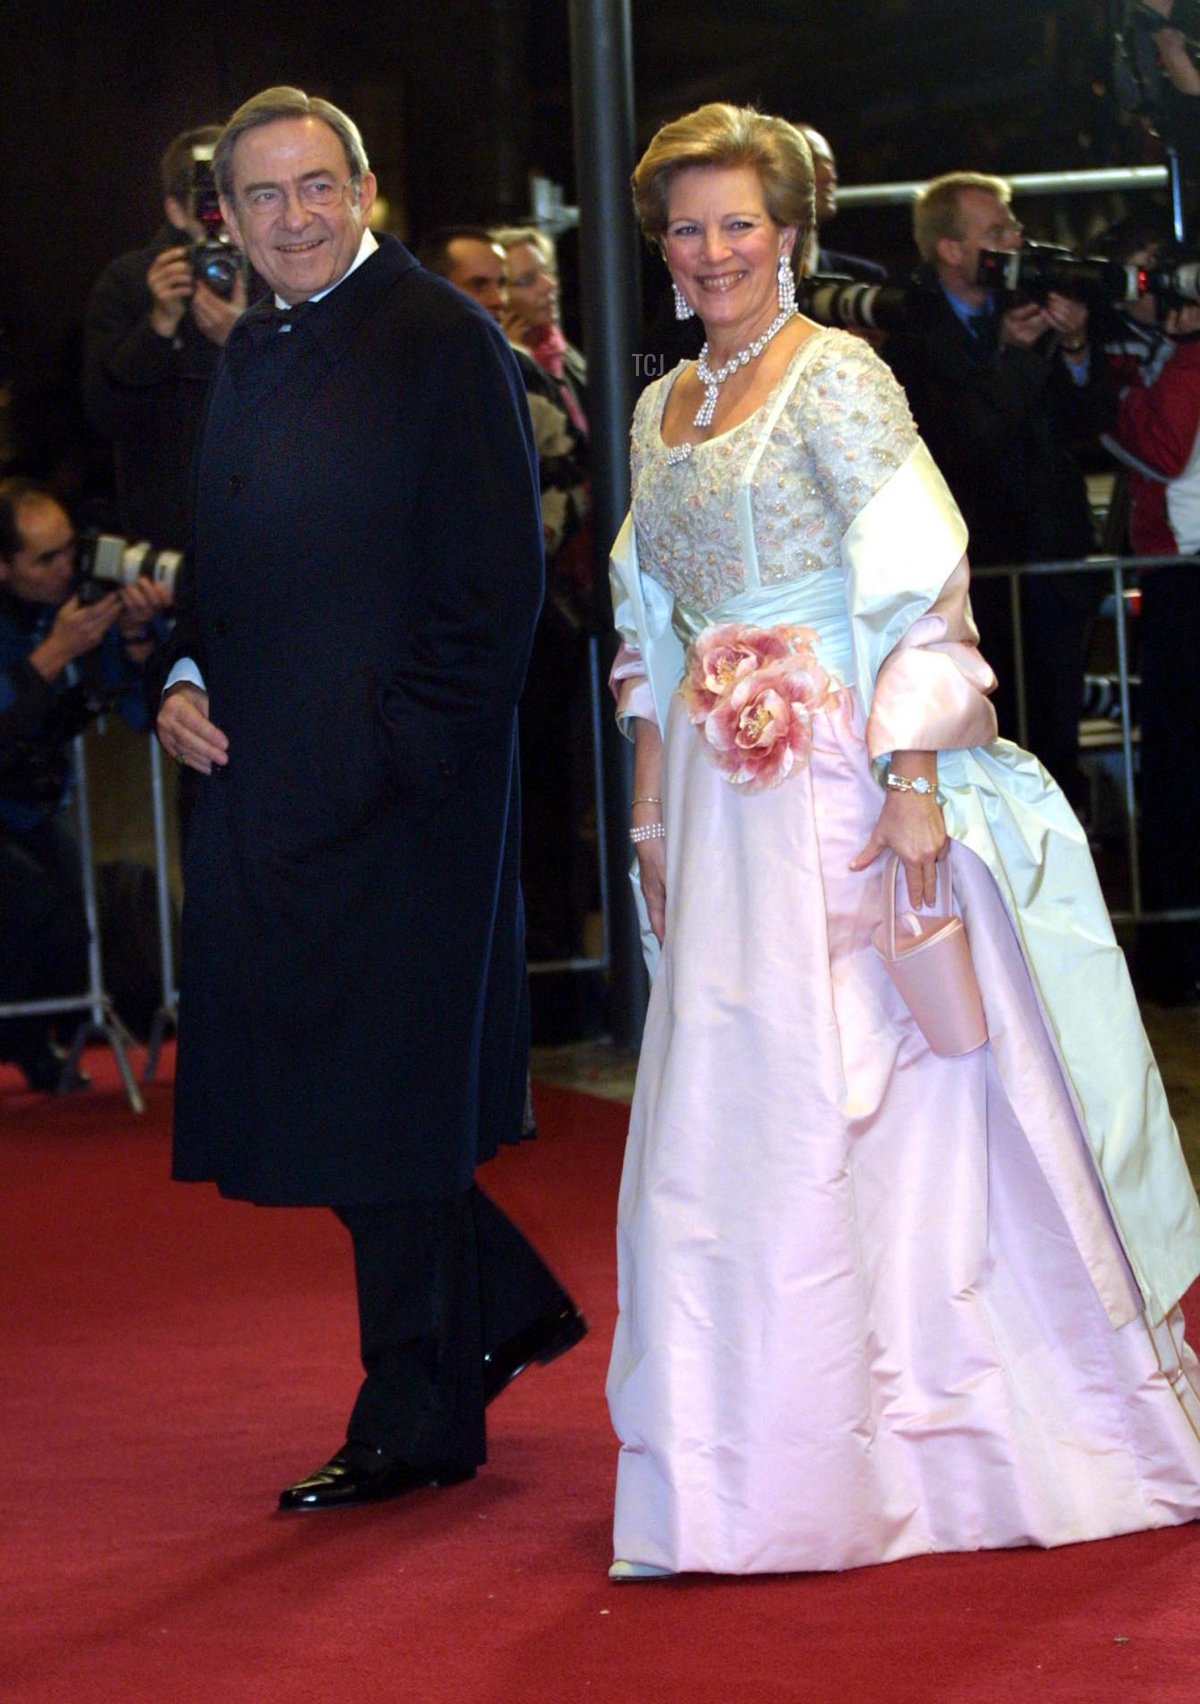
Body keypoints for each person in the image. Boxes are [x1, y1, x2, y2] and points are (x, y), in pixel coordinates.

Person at [605, 103, 1200, 1581]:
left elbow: (923, 584)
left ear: (790, 234)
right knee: (723, 1119)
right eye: (688, 226)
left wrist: (915, 778)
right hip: (713, 798)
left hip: (843, 786)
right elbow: (644, 630)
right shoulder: (658, 407)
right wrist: (648, 803)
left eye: (739, 220)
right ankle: (743, 1461)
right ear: (662, 250)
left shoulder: (840, 377)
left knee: (877, 1105)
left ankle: (923, 1442)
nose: (714, 249)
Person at [152, 87, 584, 1514]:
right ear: (228, 215)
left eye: (315, 187)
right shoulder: (254, 346)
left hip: (404, 807)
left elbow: (492, 592)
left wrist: (393, 757)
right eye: (262, 196)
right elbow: (225, 557)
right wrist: (187, 672)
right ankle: (498, 1305)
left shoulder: (439, 340)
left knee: (381, 1102)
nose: (291, 217)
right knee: (319, 1092)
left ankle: (417, 1412)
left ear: (365, 188)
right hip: (269, 789)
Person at [883, 172, 1115, 812]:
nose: (1016, 240)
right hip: (975, 586)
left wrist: (1072, 346)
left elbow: (1088, 424)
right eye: (998, 231)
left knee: (1055, 752)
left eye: (1014, 226)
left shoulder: (1035, 303)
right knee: (986, 755)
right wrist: (1012, 356)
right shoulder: (911, 334)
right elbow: (961, 444)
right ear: (950, 250)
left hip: (1050, 571)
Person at [0, 478, 168, 1090]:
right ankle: (22, 1041)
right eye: (47, 558)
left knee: (82, 923)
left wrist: (136, 633)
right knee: (35, 911)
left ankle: (32, 1041)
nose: (67, 568)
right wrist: (53, 652)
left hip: (35, 802)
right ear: (4, 565)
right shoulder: (52, 625)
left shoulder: (75, 602)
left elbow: (139, 711)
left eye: (72, 549)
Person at [1102, 223, 1200, 1003]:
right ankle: (1175, 954)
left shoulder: (1185, 357)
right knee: (1173, 770)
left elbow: (1160, 449)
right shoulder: (1159, 353)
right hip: (1176, 577)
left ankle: (1178, 956)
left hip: (1184, 578)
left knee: (1178, 770)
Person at [82, 126, 248, 548]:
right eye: (209, 202)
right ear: (176, 210)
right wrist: (158, 326)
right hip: (169, 530)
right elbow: (104, 415)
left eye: (237, 195)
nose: (223, 218)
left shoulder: (279, 272)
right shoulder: (130, 283)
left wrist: (242, 340)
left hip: (261, 524)